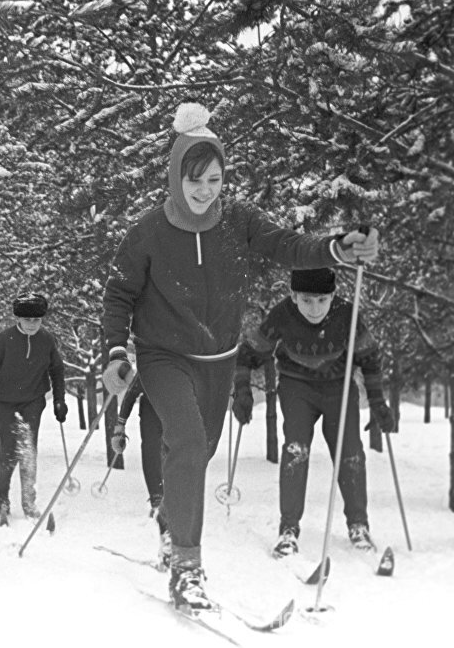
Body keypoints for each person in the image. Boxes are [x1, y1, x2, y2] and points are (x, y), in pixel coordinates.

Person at [100, 103, 380, 612]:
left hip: (220, 358)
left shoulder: (239, 221)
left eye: (214, 178)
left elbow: (289, 246)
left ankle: (169, 518)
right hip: (164, 356)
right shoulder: (148, 231)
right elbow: (119, 295)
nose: (205, 190)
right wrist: (116, 351)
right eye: (194, 180)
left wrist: (337, 249)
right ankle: (187, 567)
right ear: (175, 175)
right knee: (184, 438)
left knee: (199, 451)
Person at [233, 267, 394, 557]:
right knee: (296, 451)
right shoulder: (283, 314)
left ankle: (359, 525)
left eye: (322, 300)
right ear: (294, 296)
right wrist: (242, 390)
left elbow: (369, 358)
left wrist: (379, 402)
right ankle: (288, 529)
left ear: (333, 295)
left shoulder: (347, 314)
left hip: (338, 388)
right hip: (297, 388)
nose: (314, 309)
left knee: (350, 453)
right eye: (307, 300)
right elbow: (249, 354)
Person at [0, 292, 67, 523]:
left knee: (28, 450)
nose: (33, 324)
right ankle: (2, 499)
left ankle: (29, 501)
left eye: (37, 320)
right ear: (18, 318)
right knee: (8, 450)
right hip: (5, 402)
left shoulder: (46, 340)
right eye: (28, 320)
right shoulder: (5, 339)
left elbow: (57, 370)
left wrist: (59, 399)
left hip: (33, 401)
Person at [110, 376, 169, 564]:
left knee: (171, 454)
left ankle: (170, 497)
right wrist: (120, 424)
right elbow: (131, 394)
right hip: (150, 408)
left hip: (173, 407)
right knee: (151, 452)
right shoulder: (150, 362)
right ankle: (156, 498)